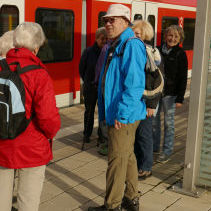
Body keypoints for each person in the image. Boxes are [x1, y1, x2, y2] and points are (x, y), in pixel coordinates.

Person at [0, 22, 60, 211]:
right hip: (32, 146)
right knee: (28, 198)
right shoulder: (40, 74)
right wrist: (52, 132)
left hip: (1, 142)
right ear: (36, 47)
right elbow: (48, 118)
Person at [88, 4, 147, 211]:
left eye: (112, 20)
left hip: (124, 114)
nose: (107, 24)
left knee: (116, 161)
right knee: (127, 157)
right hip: (120, 112)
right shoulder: (117, 44)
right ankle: (131, 199)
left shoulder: (130, 45)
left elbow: (134, 85)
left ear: (125, 21)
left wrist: (121, 114)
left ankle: (111, 206)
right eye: (105, 20)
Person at [131, 20, 162, 180]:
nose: (134, 37)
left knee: (144, 135)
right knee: (137, 135)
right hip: (136, 101)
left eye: (138, 34)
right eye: (133, 33)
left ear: (145, 36)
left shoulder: (150, 53)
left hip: (146, 103)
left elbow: (155, 83)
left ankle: (146, 167)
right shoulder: (136, 50)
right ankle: (137, 164)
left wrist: (151, 105)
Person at [154, 25, 188, 163]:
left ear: (180, 39)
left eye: (176, 36)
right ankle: (154, 147)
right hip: (156, 92)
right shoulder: (156, 50)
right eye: (170, 35)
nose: (172, 38)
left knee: (169, 123)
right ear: (165, 36)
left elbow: (183, 77)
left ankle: (166, 152)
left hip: (171, 94)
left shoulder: (180, 54)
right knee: (154, 122)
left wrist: (180, 98)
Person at [79, 27, 107, 144]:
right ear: (96, 39)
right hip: (90, 87)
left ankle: (101, 135)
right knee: (89, 111)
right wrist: (87, 81)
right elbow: (81, 69)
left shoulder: (107, 52)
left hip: (102, 88)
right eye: (102, 39)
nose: (104, 41)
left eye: (106, 39)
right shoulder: (88, 52)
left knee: (102, 112)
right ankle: (87, 134)